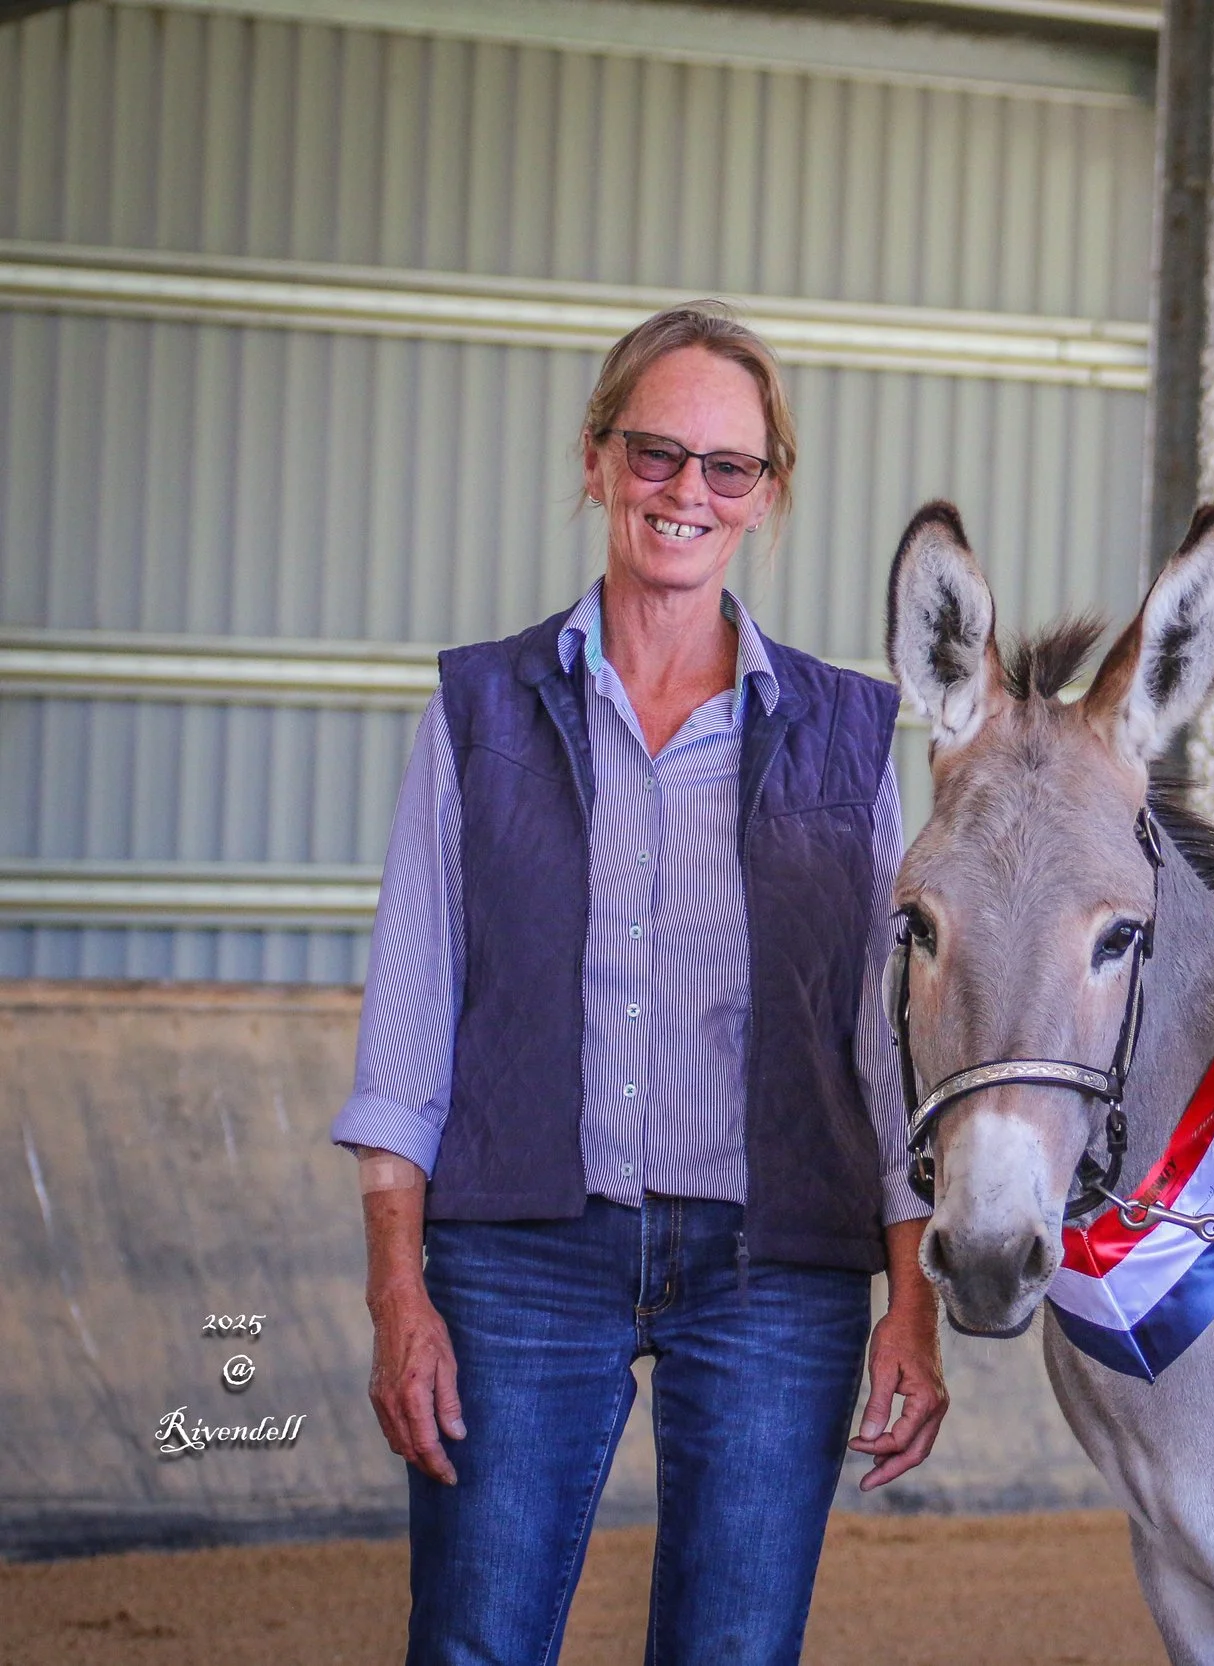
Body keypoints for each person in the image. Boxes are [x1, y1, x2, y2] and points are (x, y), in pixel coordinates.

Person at [331, 303, 947, 1665]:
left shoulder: (851, 739)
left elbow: (881, 1044)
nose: (687, 492)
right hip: (517, 1260)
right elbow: (410, 1021)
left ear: (769, 493)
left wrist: (914, 1297)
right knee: (474, 1646)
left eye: (727, 466)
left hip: (772, 1267)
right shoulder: (477, 713)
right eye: (657, 453)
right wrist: (398, 1289)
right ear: (597, 459)